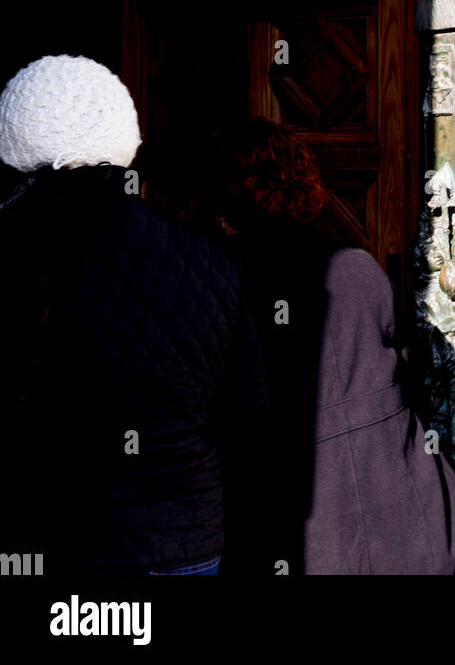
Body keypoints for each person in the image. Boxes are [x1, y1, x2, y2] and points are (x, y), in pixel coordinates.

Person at [0, 54, 264, 576]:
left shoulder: (16, 248)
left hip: (54, 543)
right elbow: (248, 418)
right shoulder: (211, 258)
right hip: (184, 541)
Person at [198, 118, 455, 576]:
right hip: (408, 520)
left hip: (303, 533)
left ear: (220, 201)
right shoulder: (356, 268)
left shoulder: (218, 285)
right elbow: (405, 370)